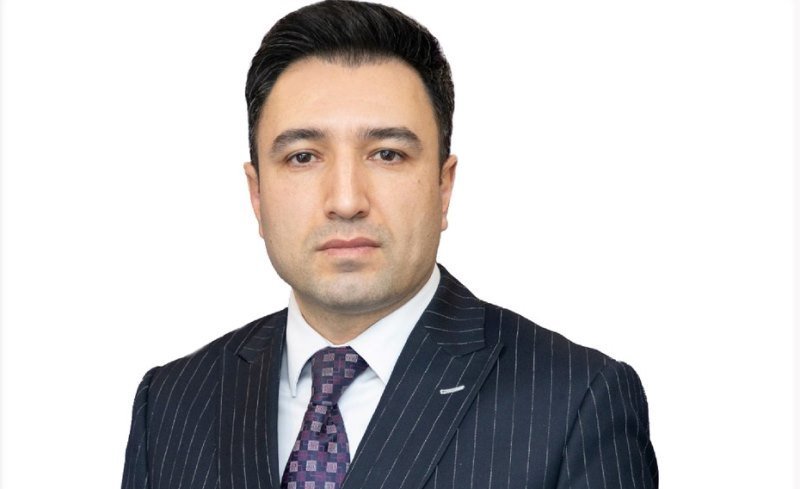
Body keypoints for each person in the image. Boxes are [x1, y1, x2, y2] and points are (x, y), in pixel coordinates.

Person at [120, 1, 658, 488]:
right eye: (303, 157)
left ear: (443, 187)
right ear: (257, 194)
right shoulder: (171, 402)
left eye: (387, 154)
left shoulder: (576, 400)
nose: (346, 200)